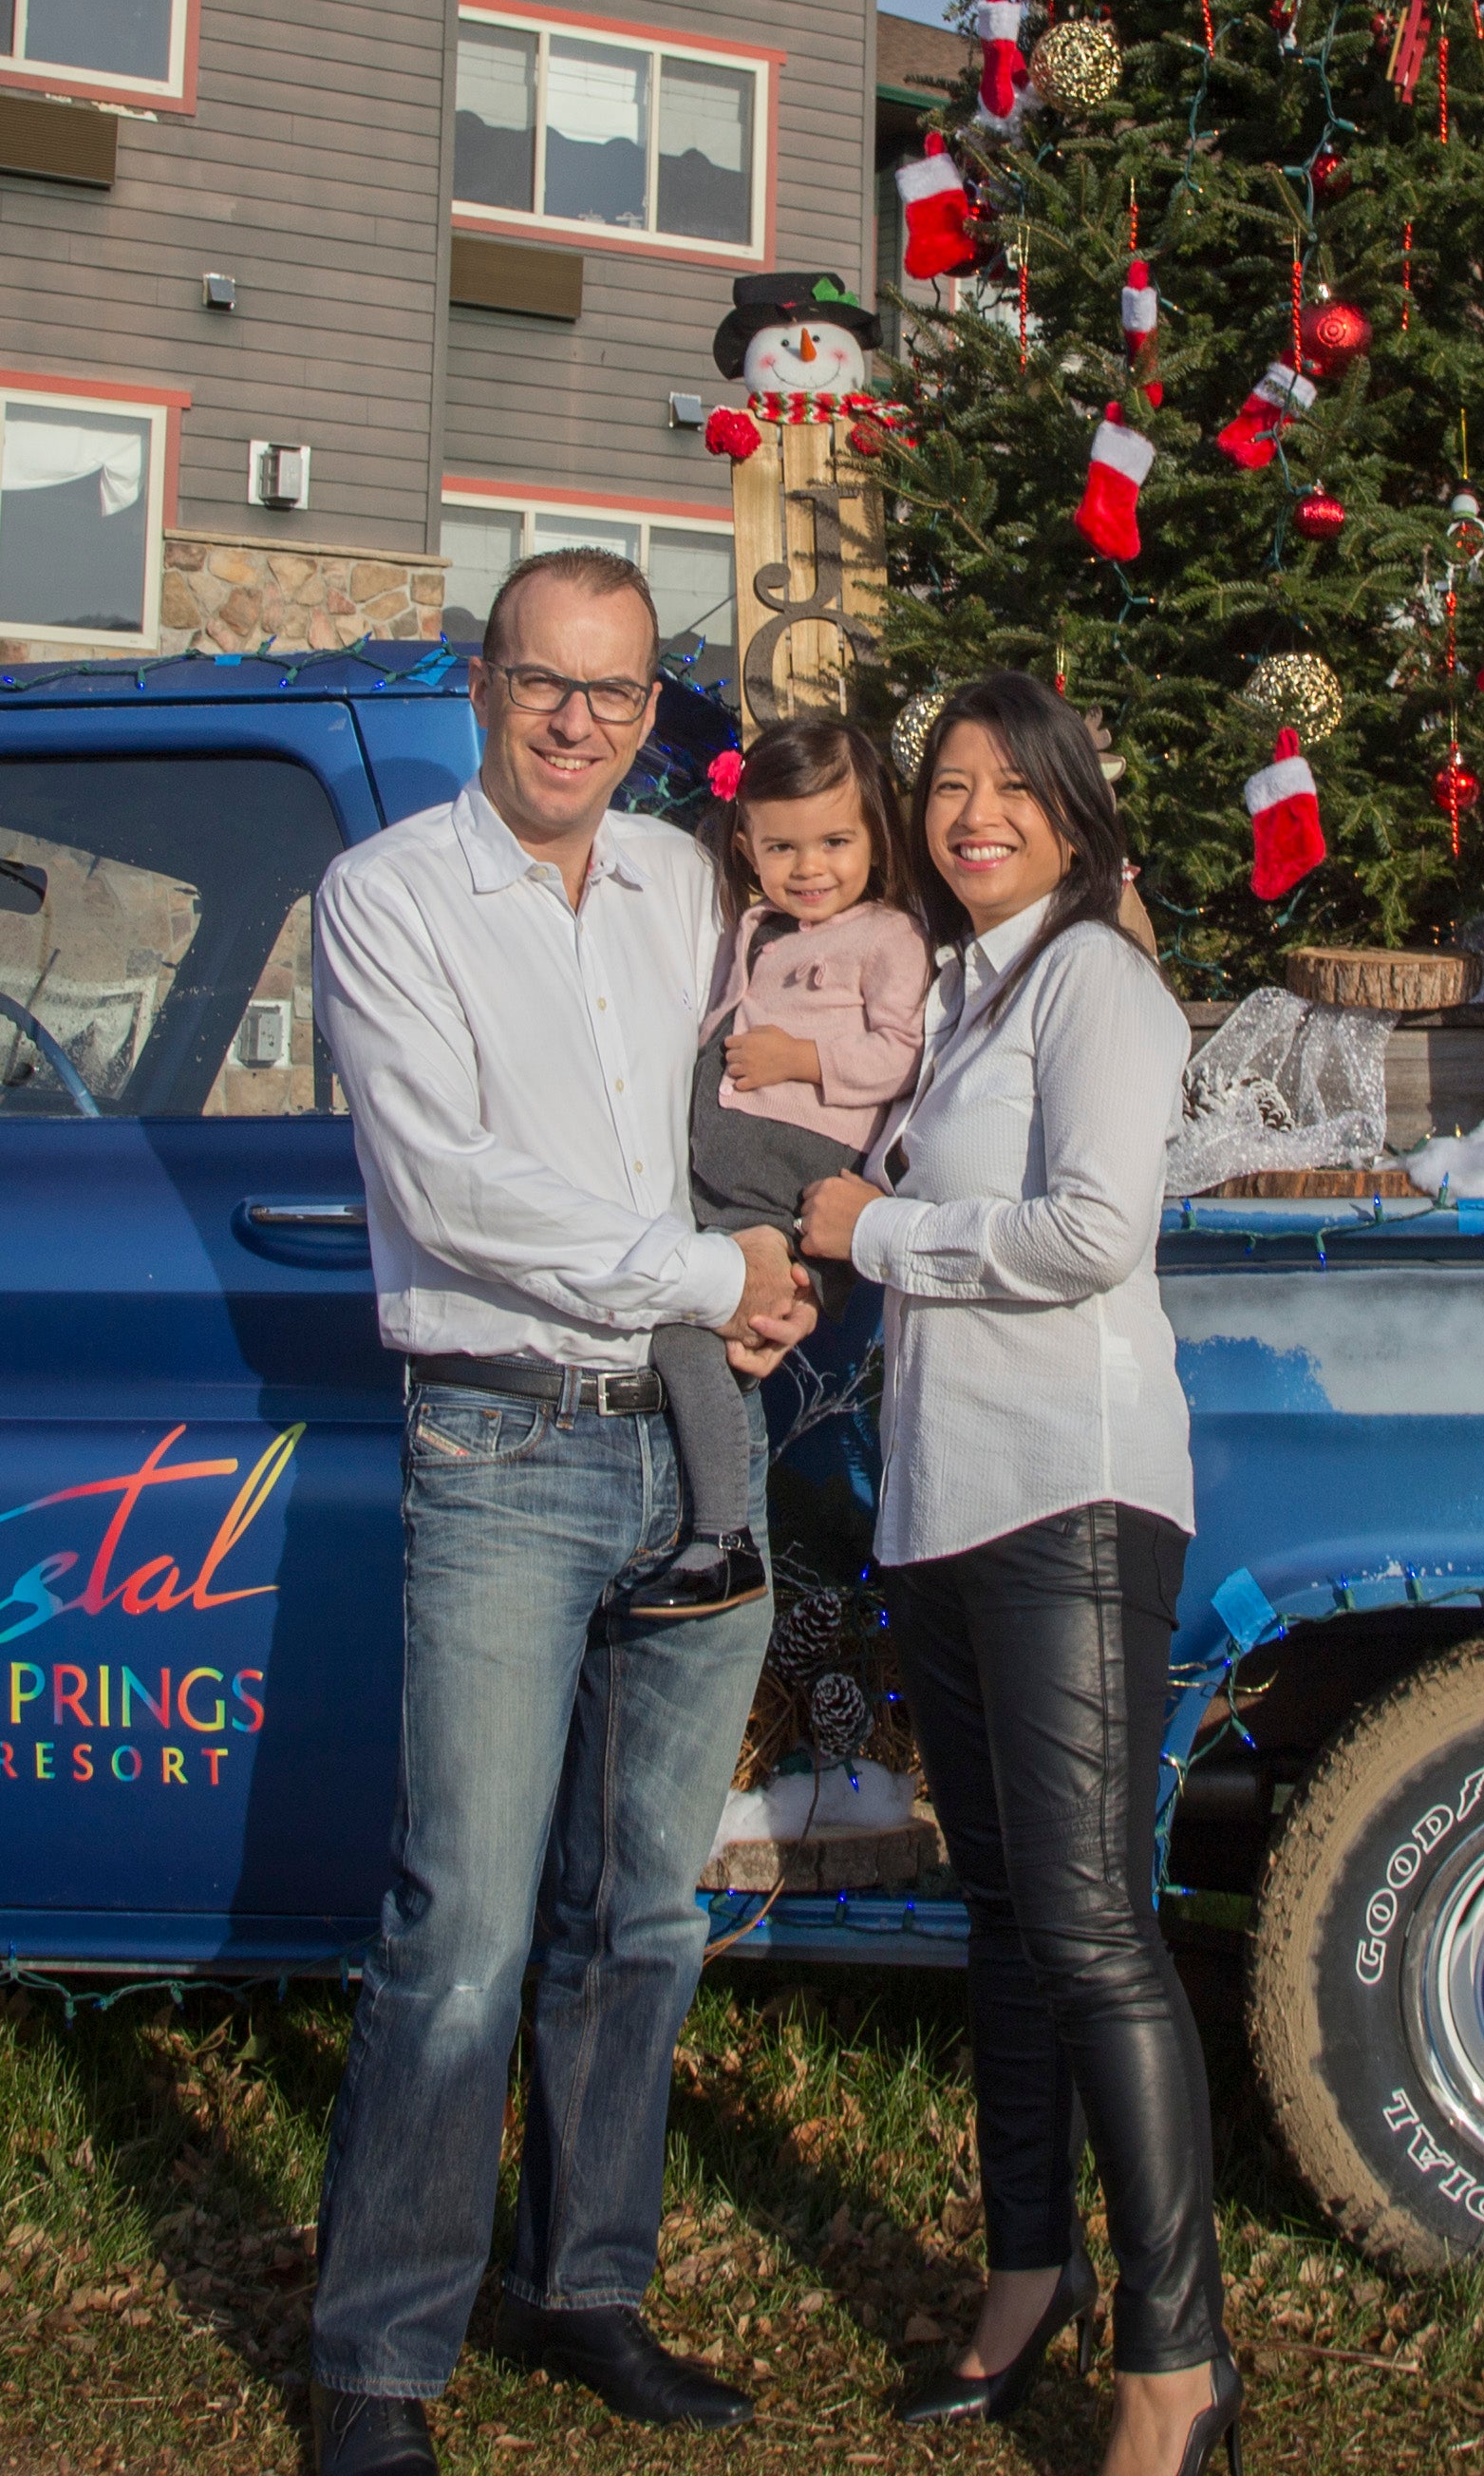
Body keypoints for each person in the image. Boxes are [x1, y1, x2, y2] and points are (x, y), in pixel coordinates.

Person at [306, 549, 817, 2476]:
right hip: (506, 1448)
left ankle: (589, 2287)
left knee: (644, 1917)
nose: (579, 722)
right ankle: (379, 2358)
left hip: (697, 1441)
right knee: (462, 1922)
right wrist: (709, 1274)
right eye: (545, 684)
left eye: (615, 693)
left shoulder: (686, 886)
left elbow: (761, 1090)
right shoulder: (387, 899)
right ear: (484, 682)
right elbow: (452, 1190)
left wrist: (793, 1257)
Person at [799, 672, 1239, 2476]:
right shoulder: (966, 985)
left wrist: (874, 1226)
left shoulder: (1094, 979)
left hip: (1070, 1492)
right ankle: (1023, 2273)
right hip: (943, 1505)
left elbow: (1090, 1230)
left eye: (1009, 785)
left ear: (1071, 806)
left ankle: (1177, 2358)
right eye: (948, 785)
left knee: (1089, 1928)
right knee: (995, 1919)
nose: (973, 810)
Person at [624, 712, 930, 1620]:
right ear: (746, 845)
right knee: (709, 1327)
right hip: (724, 1178)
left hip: (788, 1176)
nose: (811, 867)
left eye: (836, 842)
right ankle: (709, 1530)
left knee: (690, 1333)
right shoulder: (754, 927)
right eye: (783, 846)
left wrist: (803, 1060)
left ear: (876, 837)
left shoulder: (887, 937)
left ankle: (722, 1536)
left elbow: (903, 1056)